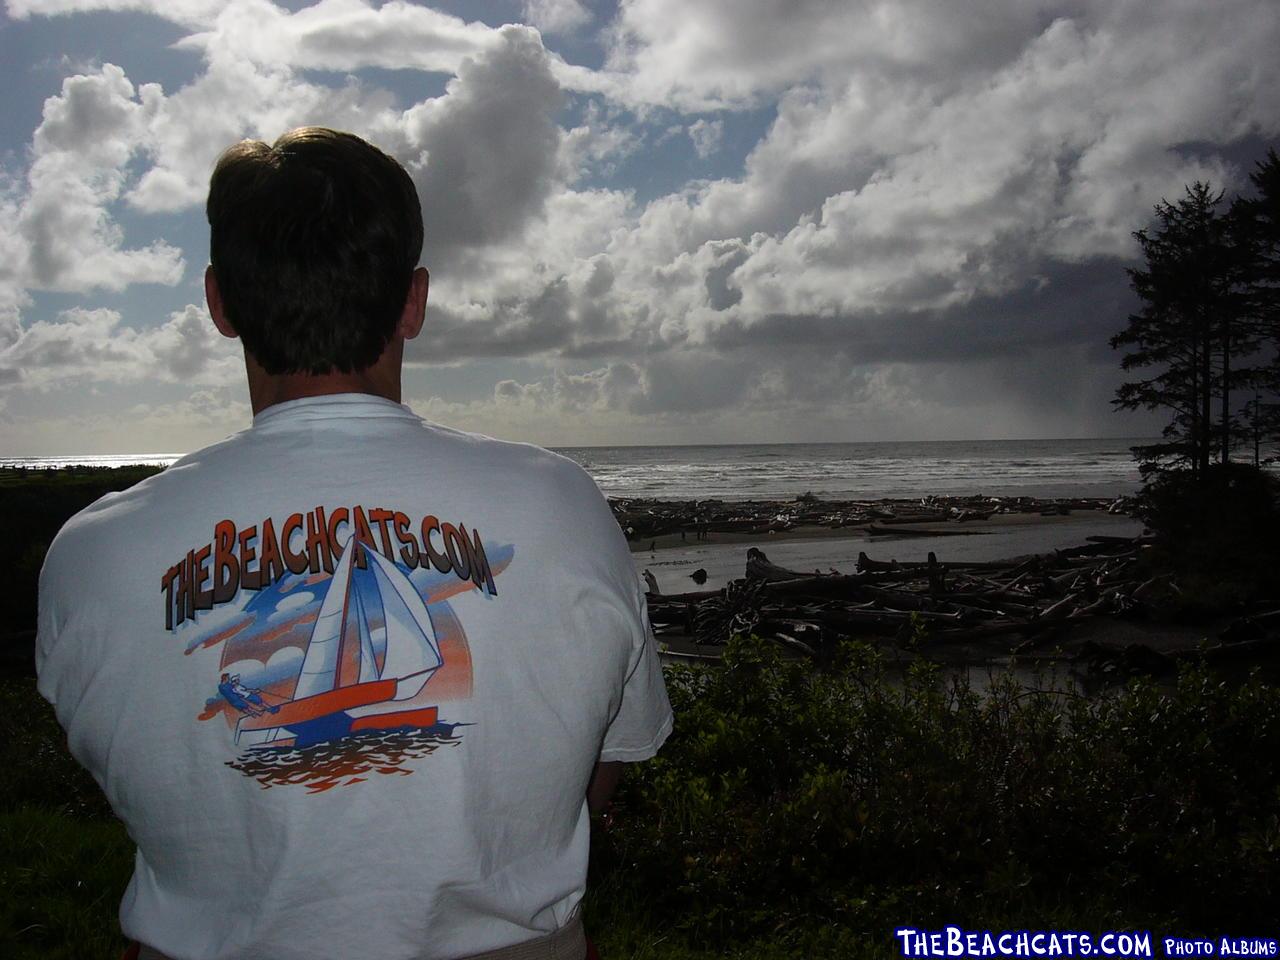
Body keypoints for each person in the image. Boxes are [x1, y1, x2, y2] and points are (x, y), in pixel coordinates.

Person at [36, 127, 672, 960]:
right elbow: (608, 757)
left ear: (219, 302)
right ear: (414, 300)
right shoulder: (562, 506)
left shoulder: (94, 555)